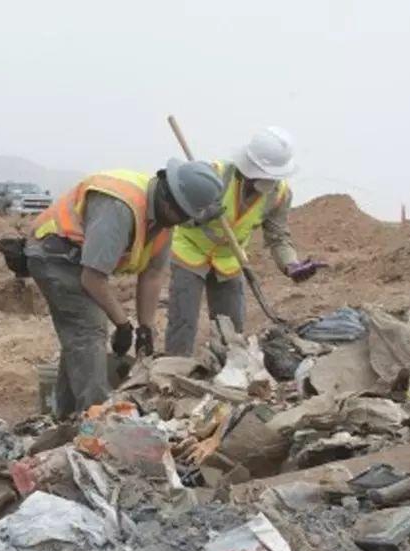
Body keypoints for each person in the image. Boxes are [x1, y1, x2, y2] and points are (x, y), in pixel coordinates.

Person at [25, 160, 225, 417]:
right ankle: (97, 419)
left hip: (80, 260)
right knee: (90, 330)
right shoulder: (120, 209)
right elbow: (93, 278)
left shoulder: (164, 222)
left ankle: (64, 416)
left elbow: (152, 274)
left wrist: (145, 327)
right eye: (182, 215)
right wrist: (122, 324)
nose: (182, 222)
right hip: (54, 252)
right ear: (168, 200)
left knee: (80, 339)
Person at [165, 126, 326, 355]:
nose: (264, 183)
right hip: (191, 251)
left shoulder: (279, 195)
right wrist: (199, 215)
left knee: (231, 330)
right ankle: (174, 375)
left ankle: (227, 375)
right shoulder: (214, 176)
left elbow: (278, 236)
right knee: (183, 321)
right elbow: (178, 214)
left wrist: (291, 264)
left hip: (230, 259)